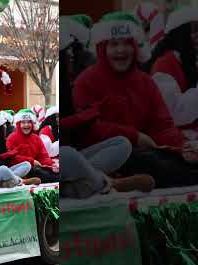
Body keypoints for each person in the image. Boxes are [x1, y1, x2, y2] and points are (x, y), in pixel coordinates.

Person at [73, 12, 198, 188]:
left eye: (126, 43)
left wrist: (182, 148)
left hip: (145, 154)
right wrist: (134, 136)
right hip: (106, 154)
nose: (121, 50)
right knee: (159, 167)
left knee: (185, 166)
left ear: (135, 47)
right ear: (103, 48)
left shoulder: (145, 82)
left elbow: (162, 125)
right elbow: (87, 127)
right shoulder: (86, 82)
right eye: (114, 44)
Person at [150, 6, 198, 138]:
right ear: (180, 34)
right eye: (194, 30)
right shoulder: (164, 64)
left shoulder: (190, 59)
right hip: (177, 139)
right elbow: (174, 114)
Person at [6, 108, 56, 183]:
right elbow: (11, 157)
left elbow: (43, 156)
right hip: (20, 168)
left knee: (54, 173)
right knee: (42, 174)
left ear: (32, 124)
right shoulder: (12, 138)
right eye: (23, 122)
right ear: (18, 124)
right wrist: (31, 161)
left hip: (35, 169)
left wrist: (52, 165)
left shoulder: (36, 138)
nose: (26, 125)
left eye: (29, 122)